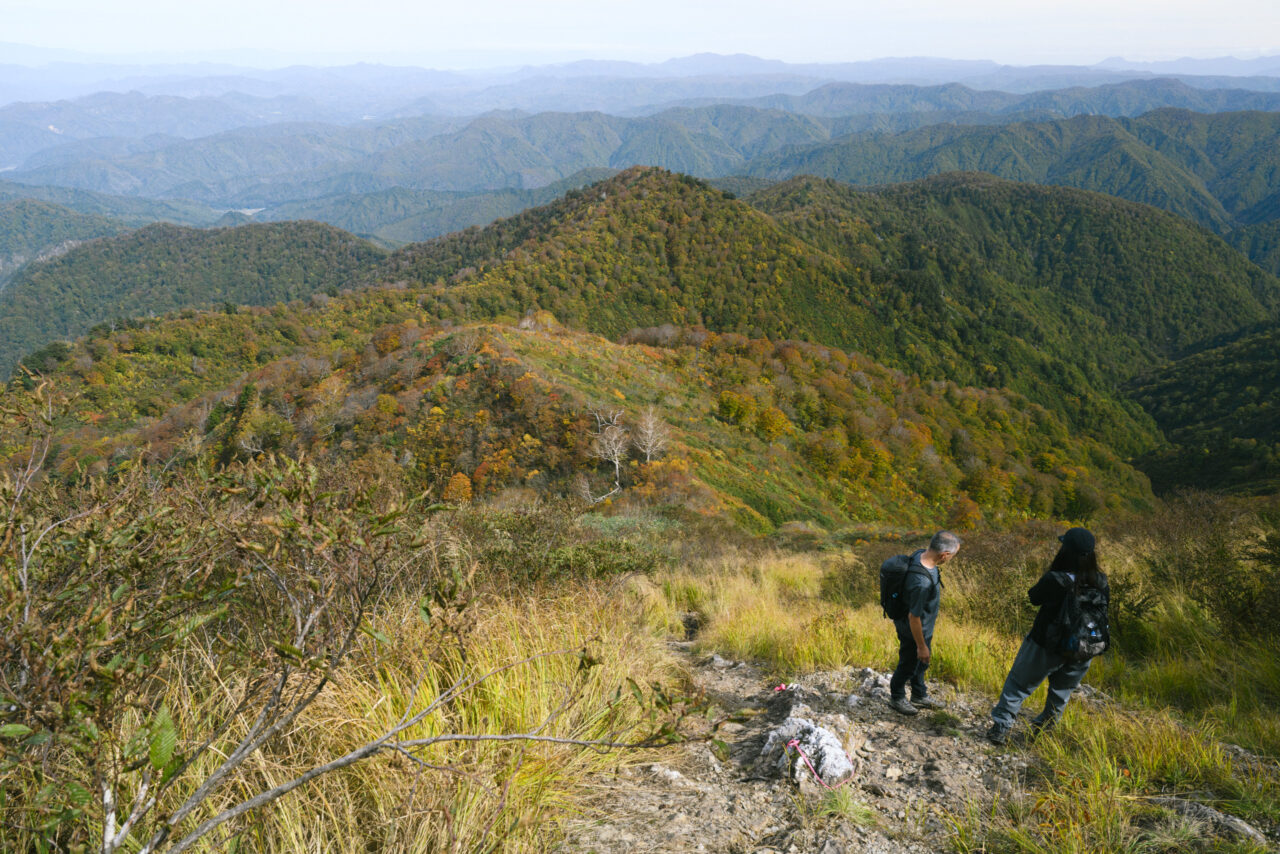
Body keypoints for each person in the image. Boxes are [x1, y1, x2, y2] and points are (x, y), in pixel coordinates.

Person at [986, 527, 1108, 745]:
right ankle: (1041, 733)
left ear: (1066, 551)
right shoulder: (1101, 580)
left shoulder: (1057, 579)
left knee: (1018, 685)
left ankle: (1001, 729)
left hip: (1046, 644)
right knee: (1061, 692)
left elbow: (1034, 597)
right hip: (1084, 647)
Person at [888, 530, 962, 716]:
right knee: (908, 664)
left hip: (922, 628)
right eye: (952, 555)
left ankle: (919, 695)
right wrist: (921, 646)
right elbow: (914, 617)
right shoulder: (921, 582)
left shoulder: (922, 554)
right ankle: (897, 697)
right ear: (944, 554)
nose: (951, 559)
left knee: (921, 664)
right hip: (913, 630)